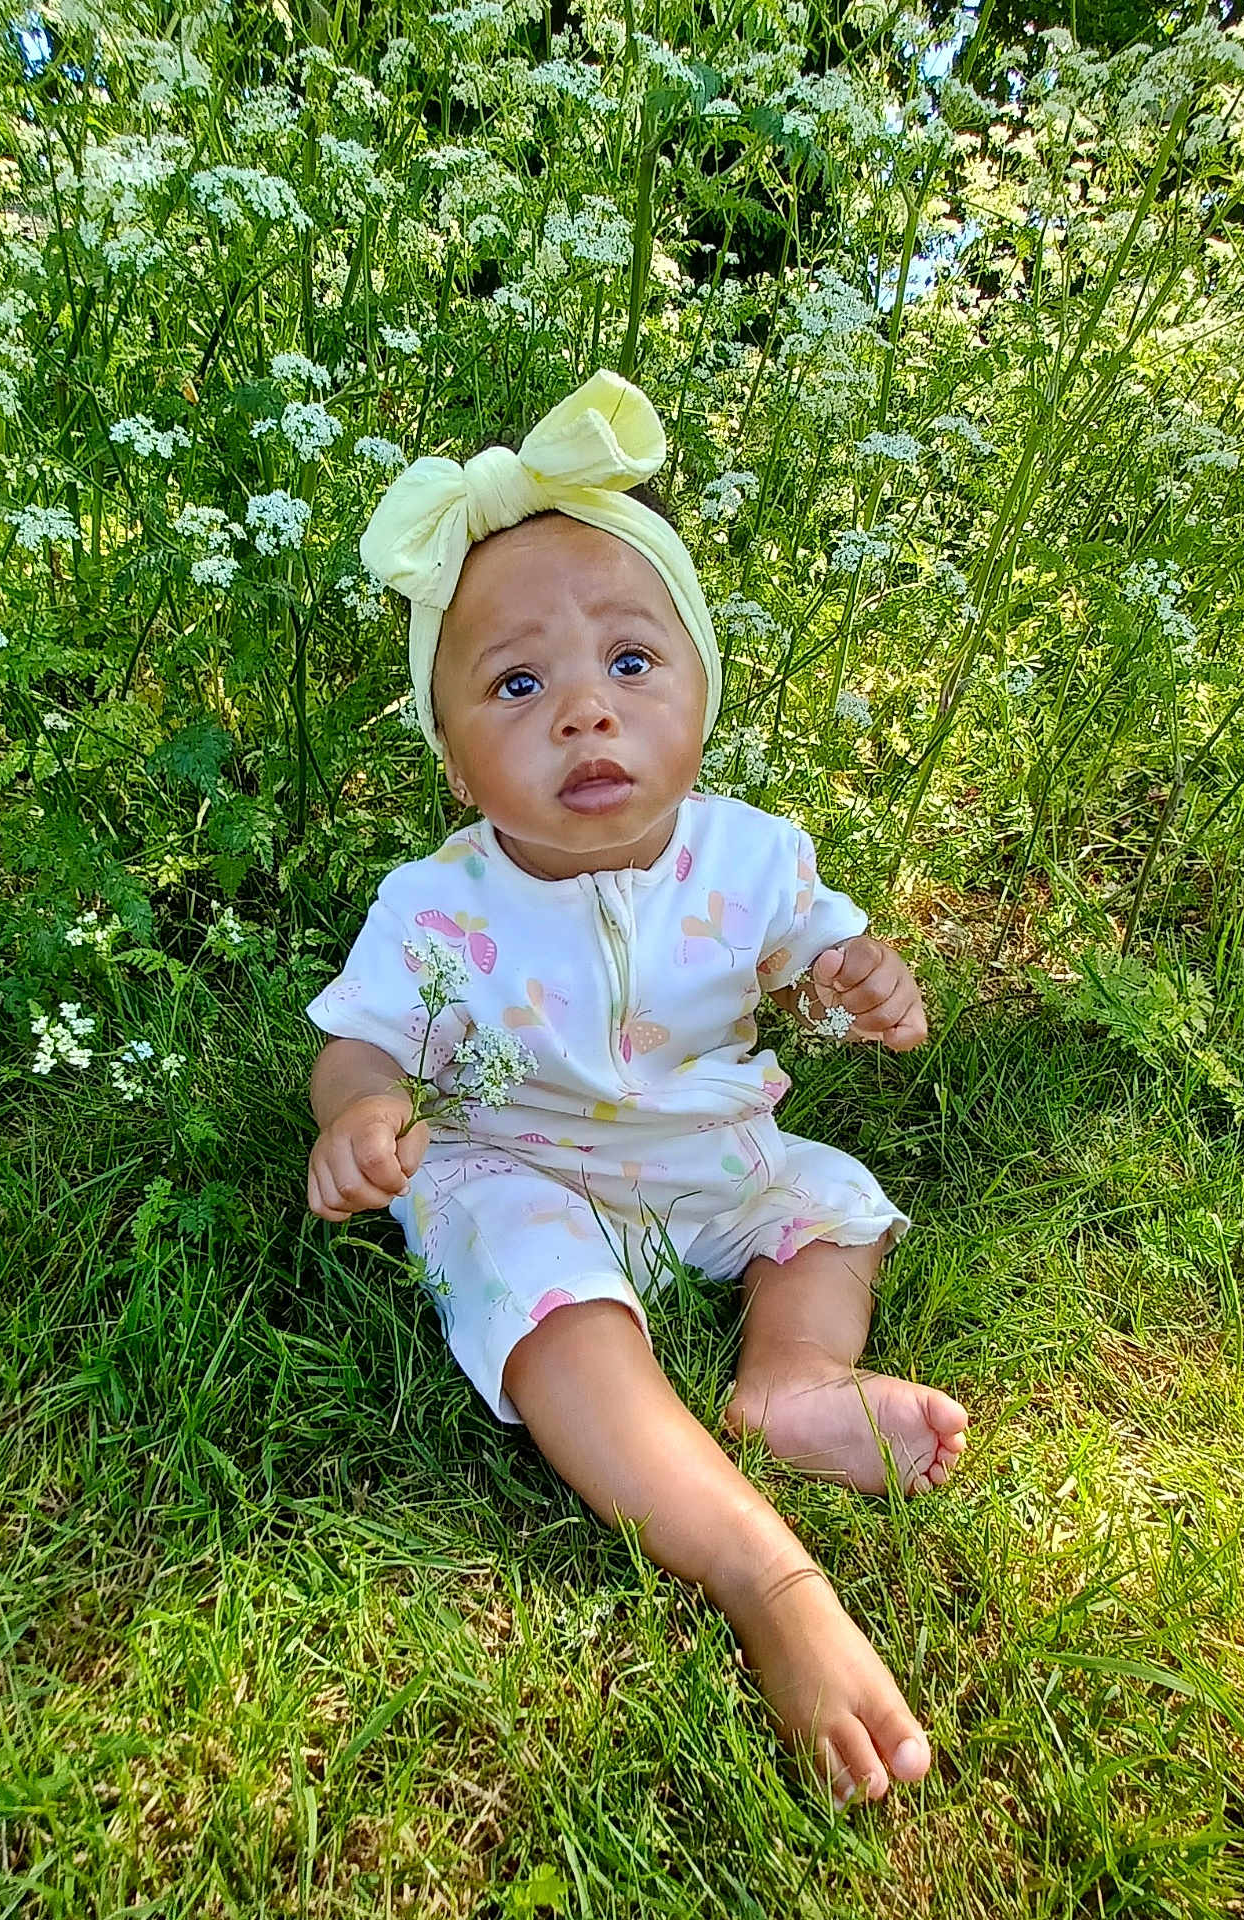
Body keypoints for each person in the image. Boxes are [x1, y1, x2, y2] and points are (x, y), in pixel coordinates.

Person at [303, 370, 968, 1807]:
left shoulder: (752, 856)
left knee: (829, 1206)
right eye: (519, 685)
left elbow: (819, 961)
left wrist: (864, 981)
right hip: (517, 1161)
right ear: (450, 742)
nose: (585, 717)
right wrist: (355, 1113)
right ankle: (762, 1574)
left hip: (702, 1152)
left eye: (630, 665)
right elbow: (360, 1040)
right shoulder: (435, 906)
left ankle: (791, 1378)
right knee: (531, 1279)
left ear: (702, 687)